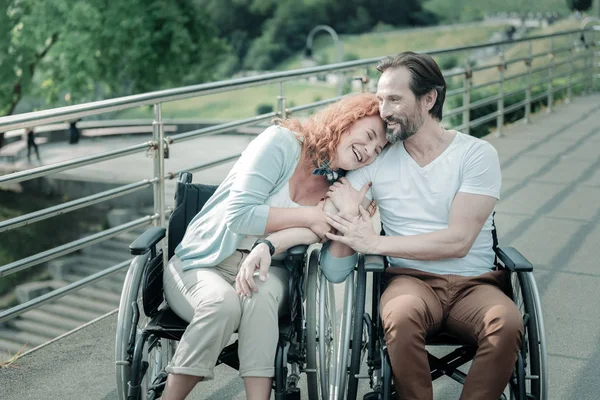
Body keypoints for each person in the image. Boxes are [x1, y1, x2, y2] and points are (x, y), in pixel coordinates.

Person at [321, 52, 523, 400]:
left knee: (507, 323)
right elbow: (333, 204)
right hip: (409, 281)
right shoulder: (378, 160)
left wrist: (375, 244)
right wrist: (351, 207)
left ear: (429, 99)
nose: (383, 111)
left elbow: (458, 241)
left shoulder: (475, 154)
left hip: (474, 283)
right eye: (381, 99)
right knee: (399, 316)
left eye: (395, 99)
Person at [161, 92, 387, 400]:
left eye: (379, 149)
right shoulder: (281, 142)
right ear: (346, 121)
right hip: (204, 261)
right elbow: (239, 215)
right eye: (369, 136)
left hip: (272, 268)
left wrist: (267, 246)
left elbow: (317, 233)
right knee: (221, 304)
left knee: (261, 296)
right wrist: (309, 215)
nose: (370, 151)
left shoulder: (340, 184)